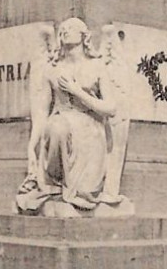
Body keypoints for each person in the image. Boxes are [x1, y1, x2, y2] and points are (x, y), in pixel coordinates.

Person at [16, 18, 118, 213]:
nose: (65, 30)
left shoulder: (97, 67)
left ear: (84, 36)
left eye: (71, 28)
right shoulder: (52, 69)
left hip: (90, 130)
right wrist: (31, 145)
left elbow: (111, 109)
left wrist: (77, 91)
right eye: (62, 29)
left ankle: (77, 190)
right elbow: (42, 111)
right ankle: (54, 184)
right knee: (56, 127)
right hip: (61, 122)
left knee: (84, 191)